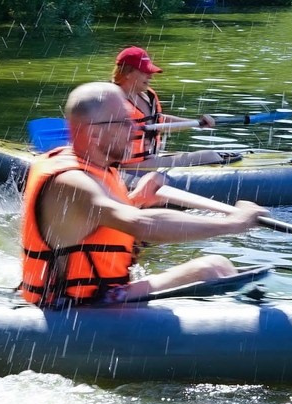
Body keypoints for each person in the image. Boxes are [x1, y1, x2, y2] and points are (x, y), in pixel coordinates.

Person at [18, 81, 268, 306]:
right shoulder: (71, 181)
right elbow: (140, 224)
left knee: (218, 267)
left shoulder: (97, 165)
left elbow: (93, 220)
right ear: (94, 133)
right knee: (214, 268)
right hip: (74, 309)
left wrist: (135, 200)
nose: (136, 130)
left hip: (97, 294)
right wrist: (235, 223)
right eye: (124, 123)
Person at [111, 45, 238, 170]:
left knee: (211, 155)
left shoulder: (147, 97)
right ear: (127, 73)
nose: (150, 76)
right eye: (144, 72)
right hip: (128, 166)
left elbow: (160, 121)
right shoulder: (111, 101)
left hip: (149, 159)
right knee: (209, 156)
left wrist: (196, 123)